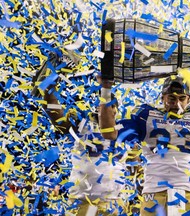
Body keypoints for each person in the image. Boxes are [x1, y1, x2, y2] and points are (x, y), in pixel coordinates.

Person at [99, 75, 190, 216]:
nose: (177, 103)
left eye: (181, 98)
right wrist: (106, 88)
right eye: (171, 98)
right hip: (155, 192)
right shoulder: (146, 115)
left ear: (189, 99)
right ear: (162, 97)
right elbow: (109, 132)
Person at [32, 52, 127, 215]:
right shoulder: (82, 123)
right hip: (82, 201)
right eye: (100, 106)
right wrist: (48, 87)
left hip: (114, 202)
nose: (102, 109)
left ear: (115, 109)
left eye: (107, 106)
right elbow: (55, 112)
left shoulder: (128, 128)